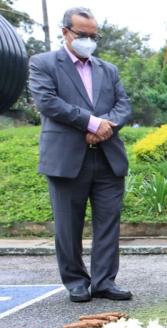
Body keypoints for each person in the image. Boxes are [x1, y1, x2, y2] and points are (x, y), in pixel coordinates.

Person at [28, 7, 132, 303]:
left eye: (93, 36)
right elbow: (48, 103)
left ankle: (104, 282)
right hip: (66, 158)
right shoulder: (43, 63)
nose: (88, 40)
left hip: (107, 157)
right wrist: (91, 122)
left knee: (108, 224)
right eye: (82, 35)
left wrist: (105, 127)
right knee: (67, 225)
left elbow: (123, 105)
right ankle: (75, 281)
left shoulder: (107, 69)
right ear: (65, 32)